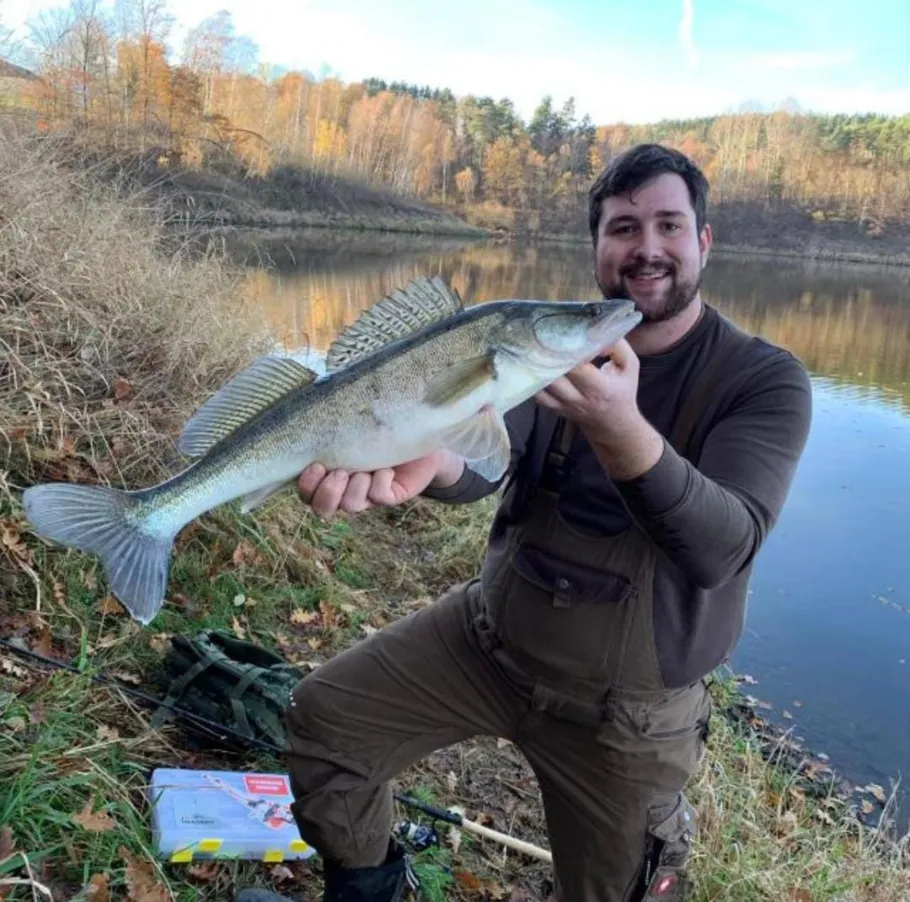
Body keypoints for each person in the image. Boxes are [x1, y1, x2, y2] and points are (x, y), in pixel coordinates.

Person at [237, 143, 813, 902]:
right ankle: (371, 887)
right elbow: (486, 462)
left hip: (627, 715)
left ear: (703, 241)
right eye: (623, 228)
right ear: (597, 246)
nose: (647, 248)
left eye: (669, 226)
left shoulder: (763, 380)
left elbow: (723, 549)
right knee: (326, 722)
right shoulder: (546, 341)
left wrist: (619, 428)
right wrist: (432, 465)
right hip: (488, 641)